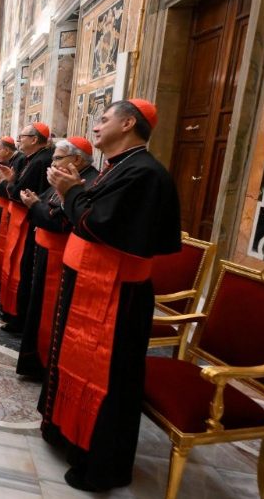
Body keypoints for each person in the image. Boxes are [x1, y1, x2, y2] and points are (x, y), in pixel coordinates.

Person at [40, 99, 181, 492]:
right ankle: (73, 437)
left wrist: (70, 191)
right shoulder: (118, 167)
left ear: (129, 123)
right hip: (93, 282)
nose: (96, 126)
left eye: (104, 119)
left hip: (117, 295)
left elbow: (96, 224)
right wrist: (71, 191)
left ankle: (101, 465)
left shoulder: (144, 173)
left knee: (110, 379)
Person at [15, 137, 98, 379]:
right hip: (47, 251)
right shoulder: (64, 178)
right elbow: (47, 201)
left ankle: (44, 364)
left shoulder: (86, 182)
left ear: (77, 159)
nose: (52, 163)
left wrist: (34, 205)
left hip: (59, 257)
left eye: (58, 158)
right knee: (39, 308)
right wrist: (34, 201)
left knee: (50, 313)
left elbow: (61, 221)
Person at [0, 122, 54, 332]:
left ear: (34, 139)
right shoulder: (32, 159)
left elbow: (19, 192)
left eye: (23, 136)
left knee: (23, 268)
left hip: (28, 222)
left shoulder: (41, 161)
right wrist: (11, 180)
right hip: (22, 219)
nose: (19, 139)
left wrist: (7, 182)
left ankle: (17, 315)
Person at [0, 136, 24, 284]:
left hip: (14, 208)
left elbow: (15, 189)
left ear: (7, 150)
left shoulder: (20, 160)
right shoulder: (11, 160)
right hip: (5, 205)